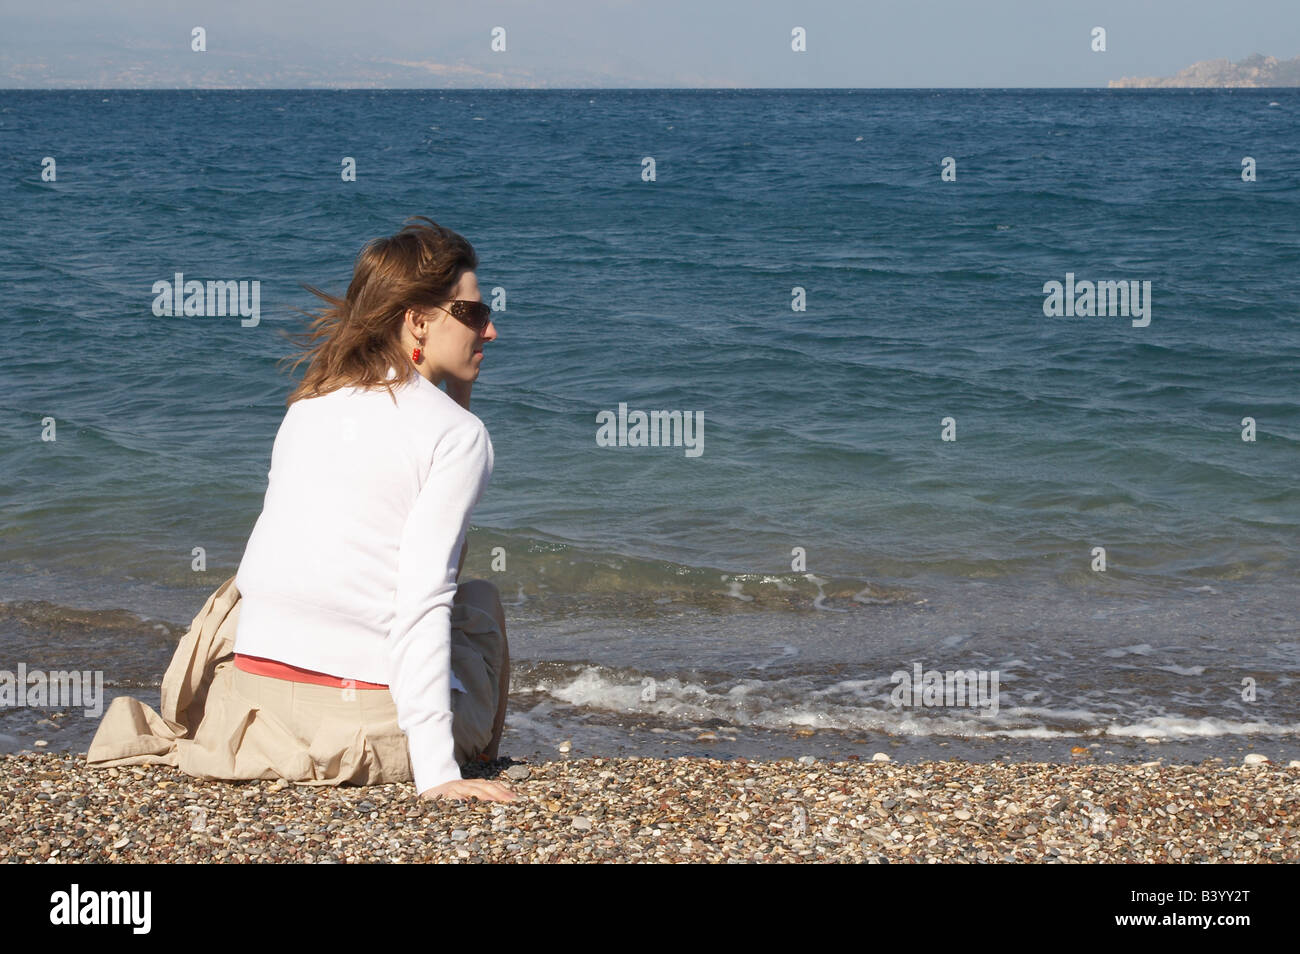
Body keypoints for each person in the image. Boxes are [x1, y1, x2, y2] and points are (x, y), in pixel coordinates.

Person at [86, 217, 518, 804]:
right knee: (478, 603)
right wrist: (437, 773)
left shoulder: (309, 405)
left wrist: (458, 398)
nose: (490, 331)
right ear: (418, 319)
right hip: (357, 728)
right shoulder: (457, 437)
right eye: (472, 313)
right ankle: (476, 758)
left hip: (247, 713)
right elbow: (423, 599)